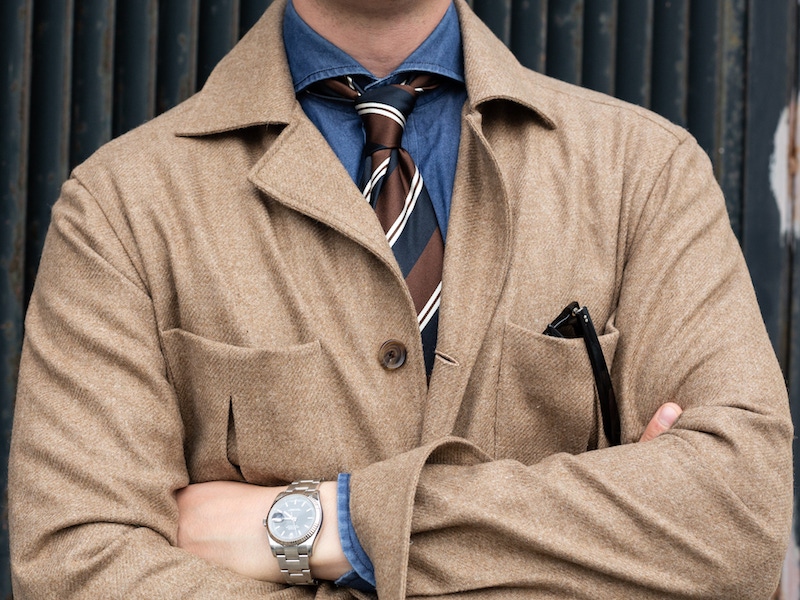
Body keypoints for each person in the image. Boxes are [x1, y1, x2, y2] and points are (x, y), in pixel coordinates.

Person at [7, 0, 791, 597]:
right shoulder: (122, 205)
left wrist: (326, 526)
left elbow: (741, 519)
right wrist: (607, 537)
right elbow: (79, 564)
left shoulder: (641, 174)